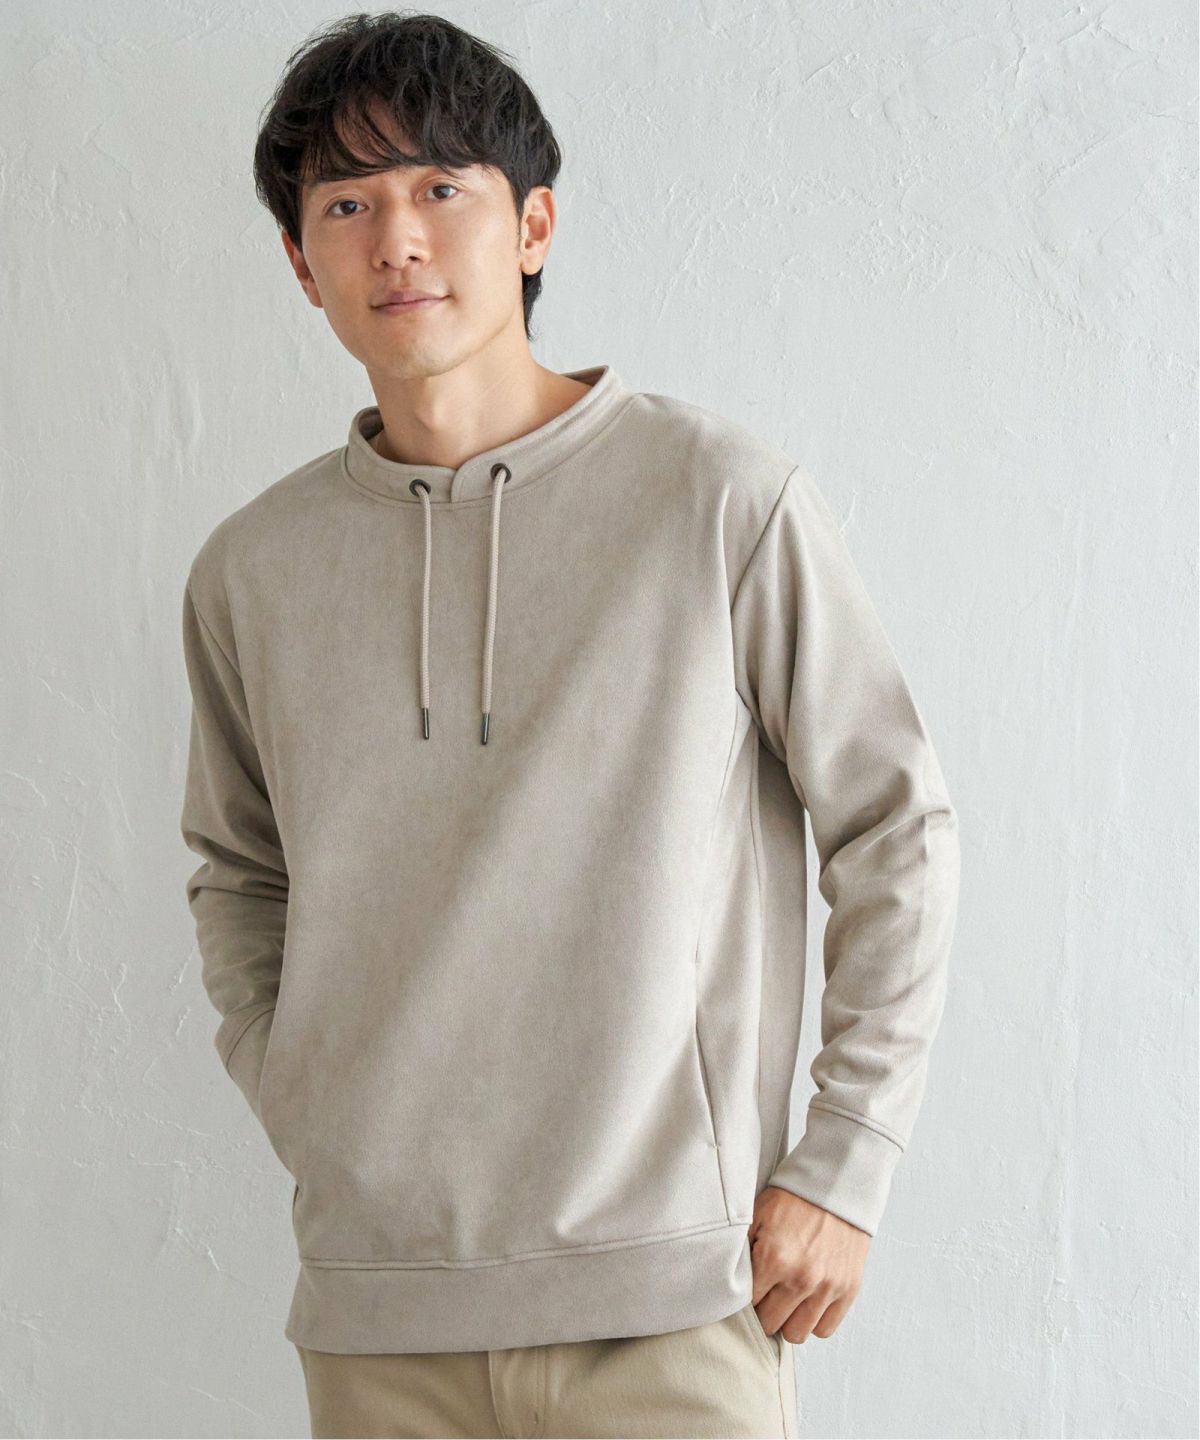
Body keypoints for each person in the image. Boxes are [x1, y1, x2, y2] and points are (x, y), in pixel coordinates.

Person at [178, 12, 961, 1438]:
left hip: (672, 1302)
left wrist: (847, 1158)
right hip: (378, 1318)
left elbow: (893, 823)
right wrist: (309, 1100)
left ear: (533, 224)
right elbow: (239, 875)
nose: (396, 239)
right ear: (301, 263)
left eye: (440, 187)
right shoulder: (252, 571)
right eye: (345, 205)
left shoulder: (717, 498)